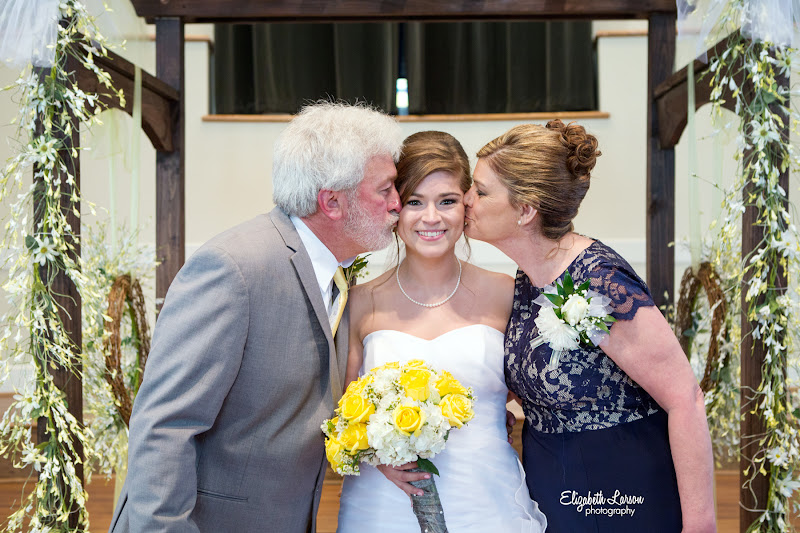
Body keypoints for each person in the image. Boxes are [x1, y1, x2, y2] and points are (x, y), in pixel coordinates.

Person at [108, 102, 405, 533]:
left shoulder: (334, 272)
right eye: (385, 189)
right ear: (332, 202)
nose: (397, 204)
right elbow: (165, 425)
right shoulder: (234, 269)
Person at [463, 120, 716, 532]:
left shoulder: (600, 280)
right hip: (552, 483)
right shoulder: (530, 276)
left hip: (620, 486)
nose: (466, 200)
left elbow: (685, 398)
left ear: (526, 210)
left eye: (481, 191)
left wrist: (700, 524)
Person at [336, 131, 548, 532]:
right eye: (415, 202)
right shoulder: (361, 300)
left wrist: (496, 411)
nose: (431, 217)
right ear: (395, 207)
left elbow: (538, 392)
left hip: (485, 499)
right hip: (384, 504)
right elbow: (340, 413)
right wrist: (377, 455)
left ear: (467, 204)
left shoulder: (506, 293)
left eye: (447, 201)